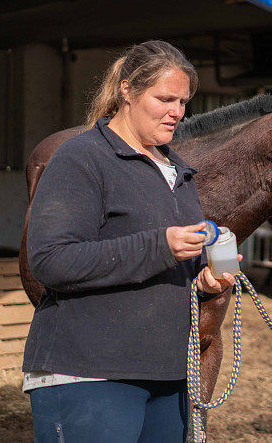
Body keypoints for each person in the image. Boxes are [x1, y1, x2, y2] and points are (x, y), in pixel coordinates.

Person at [23, 40, 238, 442]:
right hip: (88, 374)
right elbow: (50, 260)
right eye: (165, 99)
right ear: (127, 90)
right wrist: (161, 246)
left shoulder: (179, 173)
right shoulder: (82, 158)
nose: (177, 112)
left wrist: (204, 282)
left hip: (168, 374)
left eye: (184, 102)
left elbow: (167, 267)